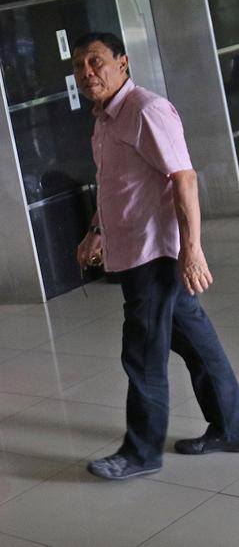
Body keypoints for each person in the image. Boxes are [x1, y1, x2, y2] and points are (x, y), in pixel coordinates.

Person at [72, 32, 239, 480]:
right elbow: (116, 186)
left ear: (122, 63)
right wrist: (95, 232)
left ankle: (140, 453)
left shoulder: (146, 110)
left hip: (153, 254)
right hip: (131, 249)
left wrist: (193, 250)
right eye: (79, 67)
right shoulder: (105, 120)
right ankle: (232, 426)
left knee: (143, 353)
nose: (88, 73)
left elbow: (183, 179)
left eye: (96, 61)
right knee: (194, 340)